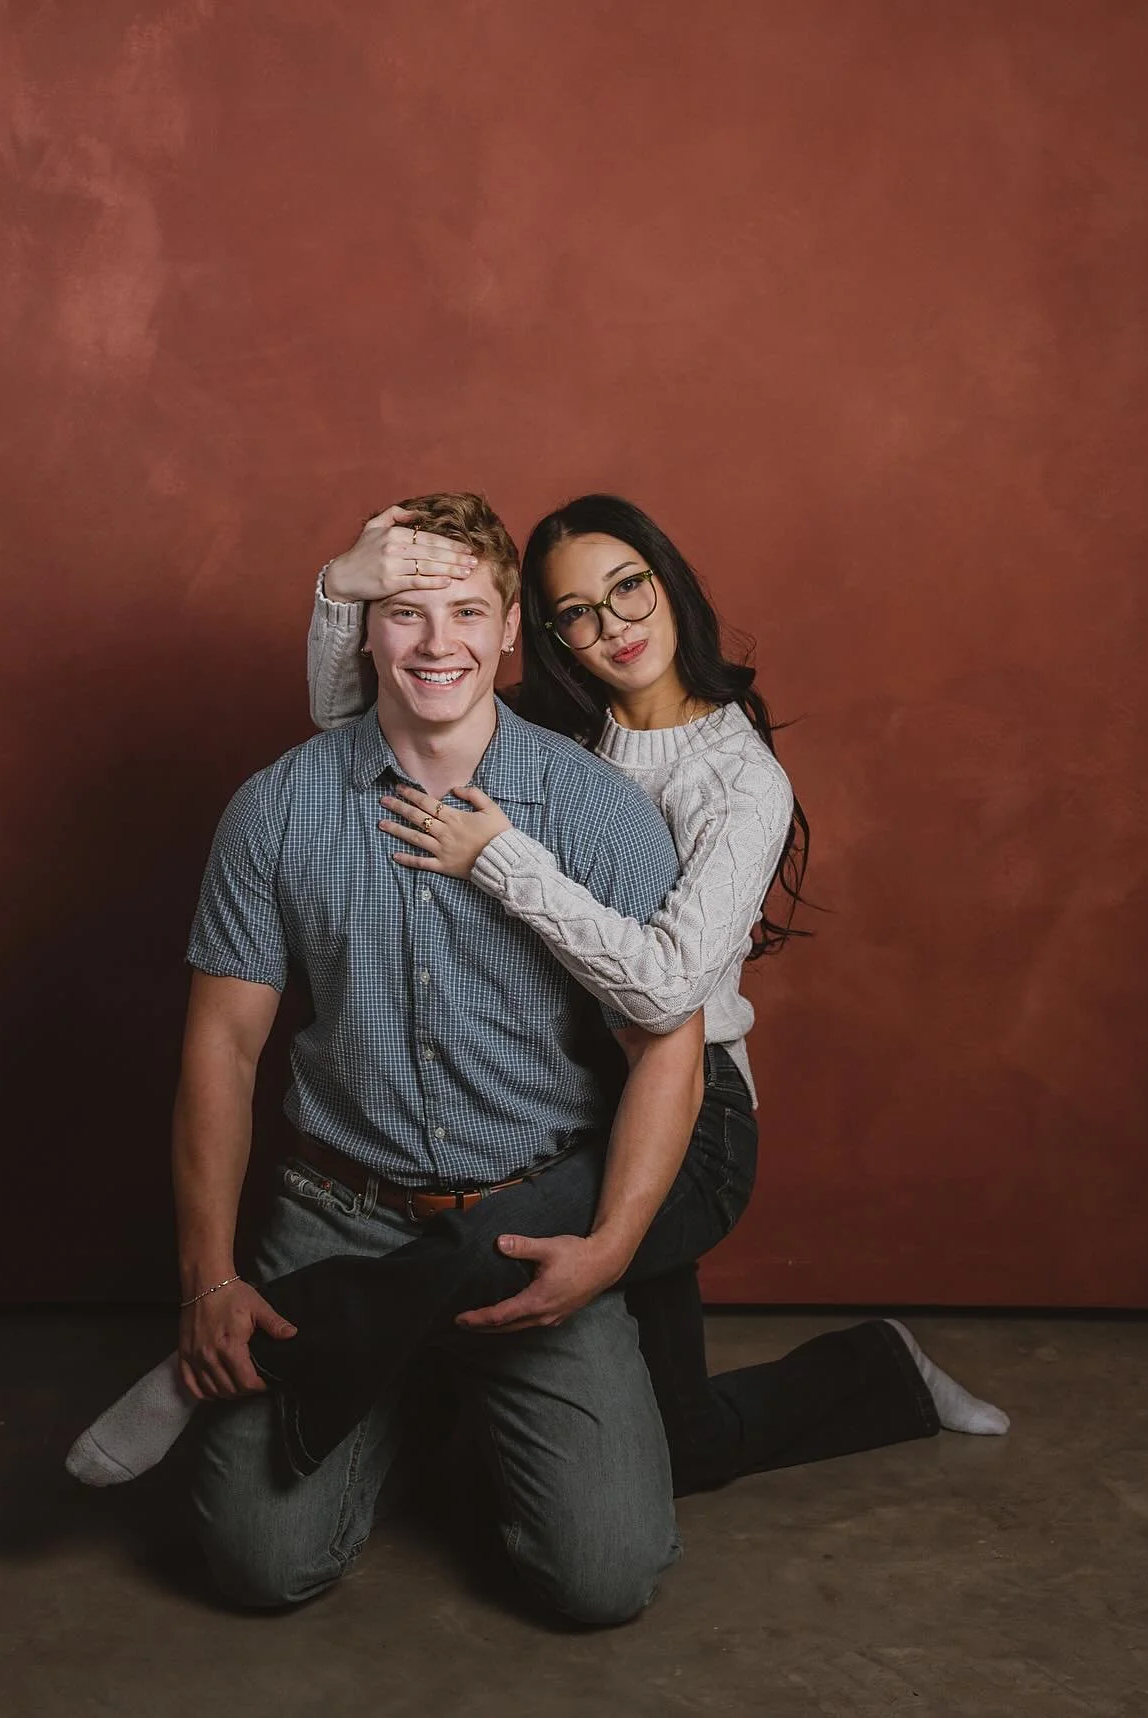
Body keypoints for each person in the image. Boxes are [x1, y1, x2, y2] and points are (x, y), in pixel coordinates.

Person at [69, 495, 1006, 1513]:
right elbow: (368, 715)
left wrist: (501, 857)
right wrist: (343, 588)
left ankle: (219, 1362)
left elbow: (664, 990)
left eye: (628, 590)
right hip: (594, 1089)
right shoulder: (577, 723)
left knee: (476, 1242)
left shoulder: (736, 781)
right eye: (577, 612)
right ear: (542, 630)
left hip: (695, 1106)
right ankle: (885, 1372)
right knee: (682, 1437)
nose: (613, 627)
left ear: (669, 581)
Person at [130, 492, 706, 1623]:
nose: (436, 643)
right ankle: (403, 1378)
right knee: (257, 1565)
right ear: (366, 631)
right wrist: (208, 1274)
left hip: (525, 1219)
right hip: (338, 1214)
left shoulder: (598, 814)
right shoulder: (277, 809)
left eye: (465, 610)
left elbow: (666, 1048)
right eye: (405, 610)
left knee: (605, 1579)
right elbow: (223, 1048)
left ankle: (444, 1379)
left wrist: (609, 1249)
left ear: (506, 633)